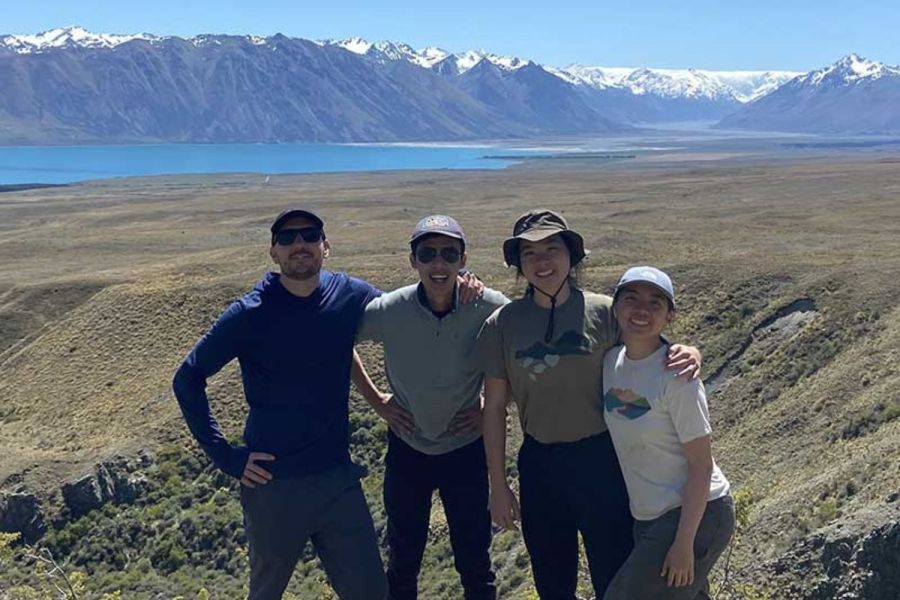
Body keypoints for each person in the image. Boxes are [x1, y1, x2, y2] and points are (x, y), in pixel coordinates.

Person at [477, 210, 701, 600]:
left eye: (552, 249)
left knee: (613, 579)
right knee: (552, 582)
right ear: (518, 264)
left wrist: (689, 350)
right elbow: (494, 408)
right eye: (529, 254)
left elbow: (651, 356)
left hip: (603, 462)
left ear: (572, 257)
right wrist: (498, 485)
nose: (542, 262)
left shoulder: (604, 311)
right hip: (539, 466)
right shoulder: (503, 324)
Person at [172, 207, 387, 600]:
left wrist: (462, 287)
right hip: (273, 487)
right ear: (273, 252)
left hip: (338, 480)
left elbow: (409, 316)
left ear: (326, 246)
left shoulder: (349, 294)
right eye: (286, 239)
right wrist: (227, 457)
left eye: (309, 235)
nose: (298, 245)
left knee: (371, 591)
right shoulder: (248, 314)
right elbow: (187, 379)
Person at [353, 215, 509, 600]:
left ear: (463, 259)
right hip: (408, 449)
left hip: (466, 450)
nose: (438, 264)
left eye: (449, 254)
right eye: (428, 254)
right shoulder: (390, 309)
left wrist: (491, 404)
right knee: (403, 561)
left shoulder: (487, 306)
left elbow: (527, 354)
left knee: (475, 563)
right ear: (413, 261)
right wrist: (378, 403)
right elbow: (337, 340)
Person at [602, 266, 734, 599]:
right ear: (615, 307)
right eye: (631, 299)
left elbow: (701, 466)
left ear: (670, 316)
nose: (641, 310)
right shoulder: (610, 361)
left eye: (655, 303)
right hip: (648, 515)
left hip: (696, 514)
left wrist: (684, 543)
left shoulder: (678, 377)